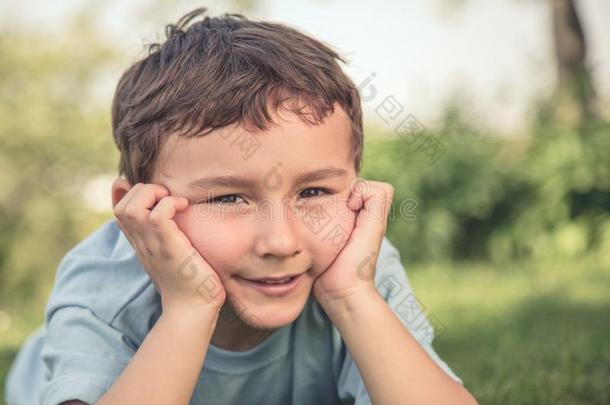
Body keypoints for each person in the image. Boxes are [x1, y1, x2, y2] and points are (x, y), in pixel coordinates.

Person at [4, 7, 478, 405]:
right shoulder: (103, 290)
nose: (281, 242)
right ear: (134, 210)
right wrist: (189, 307)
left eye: (313, 193)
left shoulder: (352, 263)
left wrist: (352, 299)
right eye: (229, 198)